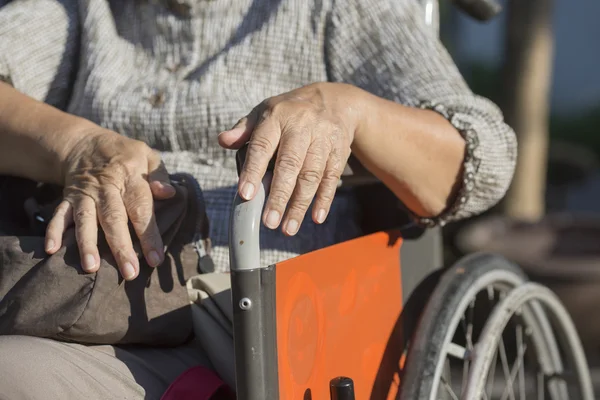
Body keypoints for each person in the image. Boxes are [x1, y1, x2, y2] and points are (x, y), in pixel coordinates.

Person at [0, 0, 516, 398]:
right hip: (68, 306)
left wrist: (348, 110)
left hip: (258, 335)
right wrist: (75, 144)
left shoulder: (334, 9)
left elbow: (486, 156)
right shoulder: (79, 11)